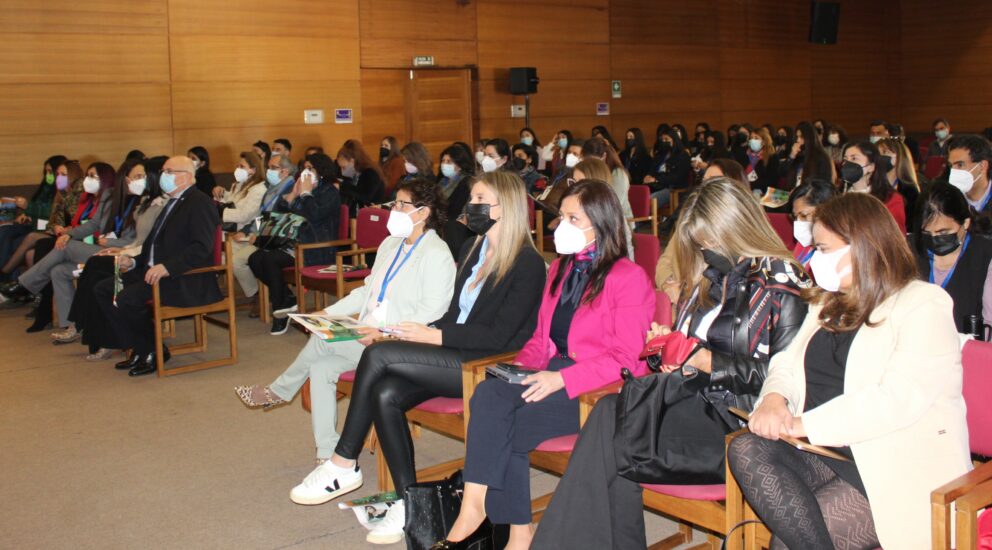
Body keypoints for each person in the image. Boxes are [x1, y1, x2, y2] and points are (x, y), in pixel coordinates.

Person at [529, 177, 809, 550]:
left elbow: (787, 377)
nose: (704, 250)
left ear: (737, 231)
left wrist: (705, 359)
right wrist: (665, 346)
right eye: (700, 242)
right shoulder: (710, 278)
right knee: (612, 414)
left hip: (738, 419)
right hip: (691, 400)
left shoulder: (782, 282)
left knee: (614, 431)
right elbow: (690, 350)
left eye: (710, 241)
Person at [314, 171, 546, 544]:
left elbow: (500, 335)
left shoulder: (527, 263)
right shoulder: (474, 249)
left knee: (378, 357)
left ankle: (344, 460)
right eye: (471, 198)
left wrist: (432, 335)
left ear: (507, 206)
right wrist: (400, 331)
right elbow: (454, 316)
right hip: (456, 351)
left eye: (481, 199)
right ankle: (409, 502)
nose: (471, 206)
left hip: (488, 365)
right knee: (385, 391)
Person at [730, 192, 971, 549]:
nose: (814, 261)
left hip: (893, 460)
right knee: (746, 449)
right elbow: (787, 362)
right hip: (830, 449)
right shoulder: (831, 302)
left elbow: (894, 402)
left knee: (787, 542)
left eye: (825, 250)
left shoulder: (924, 304)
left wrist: (801, 424)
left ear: (863, 246)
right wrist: (775, 399)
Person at [433, 180, 656, 550]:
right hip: (550, 374)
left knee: (504, 428)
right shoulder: (561, 270)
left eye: (572, 218)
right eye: (561, 216)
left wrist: (561, 379)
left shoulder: (628, 278)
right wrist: (517, 373)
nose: (560, 225)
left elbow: (626, 360)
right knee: (492, 393)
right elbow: (539, 340)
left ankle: (499, 526)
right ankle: (493, 520)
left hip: (596, 391)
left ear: (599, 223)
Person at [234, 178, 456, 500]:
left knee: (322, 344)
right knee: (322, 366)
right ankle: (328, 455)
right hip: (368, 335)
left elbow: (432, 311)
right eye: (393, 203)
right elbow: (368, 290)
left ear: (424, 212)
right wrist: (328, 313)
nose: (393, 210)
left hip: (403, 344)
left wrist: (384, 332)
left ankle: (279, 392)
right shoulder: (391, 244)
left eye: (400, 205)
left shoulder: (436, 254)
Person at [94, 156, 222, 376]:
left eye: (169, 171)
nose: (164, 176)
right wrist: (133, 261)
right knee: (105, 289)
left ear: (187, 176)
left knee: (127, 298)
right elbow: (154, 244)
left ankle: (151, 350)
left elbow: (201, 248)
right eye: (164, 171)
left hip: (184, 277)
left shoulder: (199, 203)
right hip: (154, 272)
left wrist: (167, 267)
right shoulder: (172, 201)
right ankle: (141, 346)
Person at [67, 157, 167, 360]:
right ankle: (95, 332)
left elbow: (149, 244)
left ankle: (85, 327)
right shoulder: (144, 202)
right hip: (134, 253)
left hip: (142, 258)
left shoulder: (163, 204)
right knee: (96, 269)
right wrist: (120, 251)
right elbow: (139, 241)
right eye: (137, 177)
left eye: (143, 176)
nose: (141, 181)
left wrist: (122, 251)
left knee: (96, 269)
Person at [2, 162, 116, 329]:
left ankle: (23, 285)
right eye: (88, 175)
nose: (88, 179)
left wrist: (68, 235)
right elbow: (91, 225)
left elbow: (127, 235)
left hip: (112, 250)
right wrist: (67, 234)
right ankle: (70, 325)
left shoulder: (111, 198)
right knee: (58, 270)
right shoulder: (97, 198)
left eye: (93, 176)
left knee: (62, 246)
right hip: (93, 247)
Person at [248, 153, 342, 334]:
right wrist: (292, 195)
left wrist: (306, 193)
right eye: (304, 168)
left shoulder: (329, 192)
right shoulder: (302, 189)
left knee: (270, 260)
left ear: (321, 171)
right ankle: (287, 299)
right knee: (255, 258)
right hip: (292, 245)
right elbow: (280, 214)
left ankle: (280, 311)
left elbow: (314, 215)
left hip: (315, 249)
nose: (306, 172)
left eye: (311, 168)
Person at [912, 182, 992, 334]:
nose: (935, 239)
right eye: (927, 234)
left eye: (943, 233)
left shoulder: (985, 255)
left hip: (967, 350)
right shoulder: (910, 249)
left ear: (966, 223)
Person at [229, 153, 296, 317]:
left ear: (285, 172)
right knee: (245, 258)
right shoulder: (272, 191)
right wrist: (247, 231)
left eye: (274, 168)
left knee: (241, 260)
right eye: (269, 168)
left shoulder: (291, 190)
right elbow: (261, 218)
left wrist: (259, 237)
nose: (269, 171)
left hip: (280, 242)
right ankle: (280, 293)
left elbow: (284, 221)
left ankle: (270, 296)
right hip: (264, 238)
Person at [0, 155, 65, 277]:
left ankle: (5, 279)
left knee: (14, 244)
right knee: (4, 230)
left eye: (51, 172)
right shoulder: (45, 188)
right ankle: (8, 283)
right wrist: (26, 214)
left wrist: (28, 207)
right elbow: (38, 210)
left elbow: (51, 213)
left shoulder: (63, 192)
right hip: (32, 225)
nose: (48, 175)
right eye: (46, 172)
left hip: (46, 230)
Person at [572, 158, 633, 259]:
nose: (574, 188)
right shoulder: (575, 213)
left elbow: (614, 262)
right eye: (573, 182)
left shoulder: (613, 218)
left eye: (580, 183)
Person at [840, 141, 906, 232]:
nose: (847, 164)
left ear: (871, 167)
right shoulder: (838, 197)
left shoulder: (890, 199)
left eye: (854, 158)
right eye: (845, 160)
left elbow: (896, 236)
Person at [789, 179, 838, 272]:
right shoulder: (804, 243)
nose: (798, 222)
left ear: (826, 211)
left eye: (803, 215)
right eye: (795, 216)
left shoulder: (837, 251)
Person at [877, 137, 921, 229]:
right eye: (877, 153)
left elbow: (911, 225)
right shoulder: (870, 185)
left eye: (885, 153)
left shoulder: (910, 190)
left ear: (899, 158)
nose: (880, 157)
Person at [216, 151, 266, 232]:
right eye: (238, 166)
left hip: (242, 230)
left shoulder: (259, 189)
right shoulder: (241, 183)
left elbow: (244, 215)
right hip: (229, 225)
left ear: (253, 170)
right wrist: (222, 192)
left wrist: (221, 211)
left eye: (242, 166)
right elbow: (232, 200)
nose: (238, 169)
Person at [946, 134, 992, 216]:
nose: (953, 171)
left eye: (960, 165)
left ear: (982, 166)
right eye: (950, 166)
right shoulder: (947, 201)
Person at [781, 121, 835, 190]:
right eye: (797, 137)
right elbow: (782, 172)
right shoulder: (797, 155)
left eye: (801, 137)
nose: (798, 140)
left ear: (809, 138)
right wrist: (791, 156)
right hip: (792, 194)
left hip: (811, 196)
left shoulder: (821, 157)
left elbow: (824, 185)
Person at [644, 129, 691, 208]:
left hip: (672, 189)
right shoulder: (661, 155)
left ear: (674, 140)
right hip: (655, 186)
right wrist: (648, 175)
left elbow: (677, 177)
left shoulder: (682, 155)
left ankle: (645, 220)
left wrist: (656, 179)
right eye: (662, 140)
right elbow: (652, 169)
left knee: (647, 201)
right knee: (638, 198)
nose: (664, 141)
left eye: (666, 139)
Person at [338, 139, 385, 214]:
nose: (342, 171)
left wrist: (342, 186)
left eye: (344, 167)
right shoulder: (357, 172)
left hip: (374, 213)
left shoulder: (370, 173)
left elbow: (365, 196)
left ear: (352, 161)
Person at [735, 127, 781, 193]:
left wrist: (751, 185)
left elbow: (772, 179)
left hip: (762, 191)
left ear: (764, 141)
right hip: (743, 190)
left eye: (756, 138)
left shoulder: (772, 157)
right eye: (751, 138)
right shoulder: (743, 155)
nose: (753, 140)